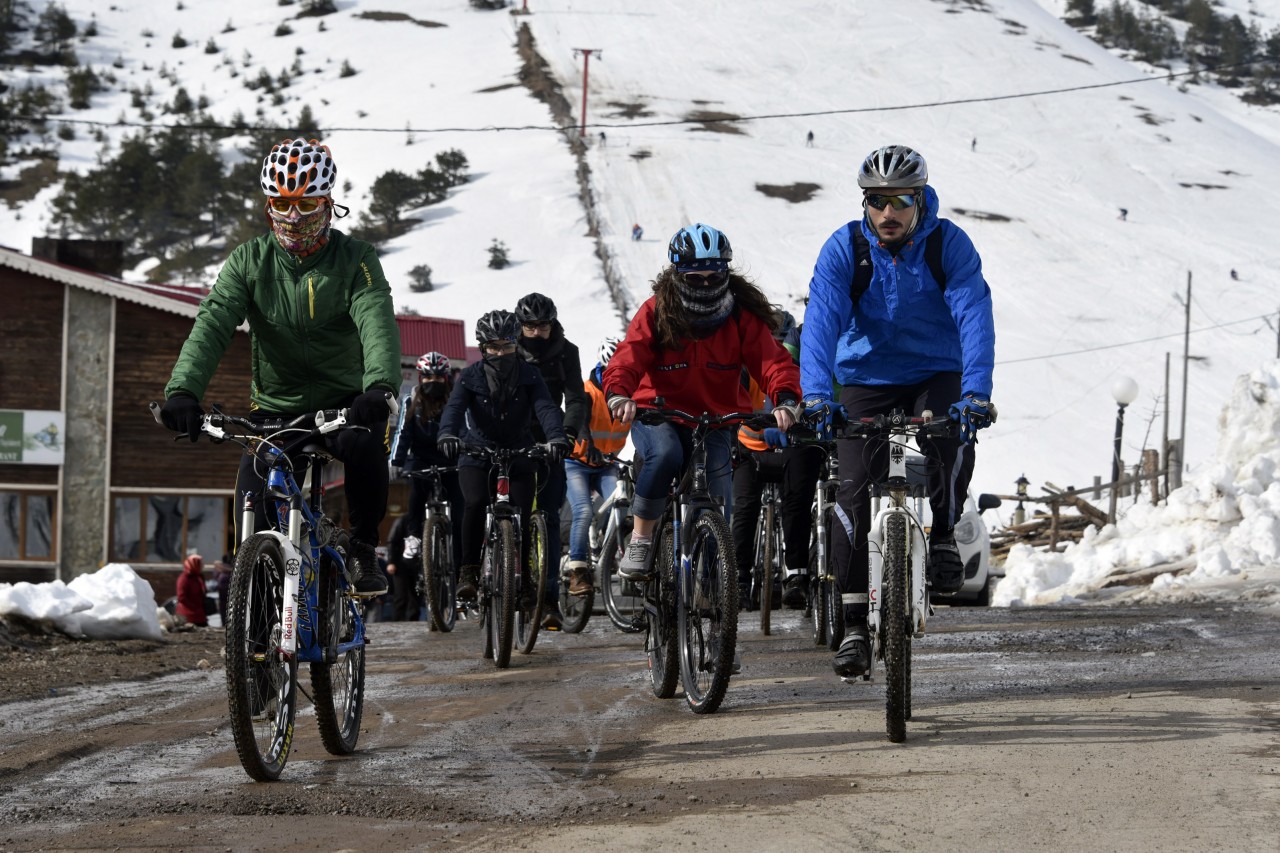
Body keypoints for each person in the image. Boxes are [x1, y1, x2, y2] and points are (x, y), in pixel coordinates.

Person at [160, 137, 401, 597]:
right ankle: (258, 591)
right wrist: (183, 391)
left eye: (306, 203)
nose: (293, 216)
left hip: (344, 404)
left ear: (329, 203)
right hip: (276, 406)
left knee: (367, 447)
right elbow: (213, 323)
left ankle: (364, 548)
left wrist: (379, 386)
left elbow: (376, 321)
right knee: (251, 495)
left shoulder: (357, 260)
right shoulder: (248, 261)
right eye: (281, 203)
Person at [801, 144, 996, 680]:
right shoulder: (845, 247)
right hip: (865, 377)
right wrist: (818, 396)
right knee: (853, 485)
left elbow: (974, 312)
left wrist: (975, 393)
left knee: (950, 438)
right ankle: (854, 622)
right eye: (877, 201)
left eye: (901, 201)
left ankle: (942, 536)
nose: (888, 214)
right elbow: (820, 319)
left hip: (935, 371)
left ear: (920, 200)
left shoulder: (947, 244)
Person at [604, 223, 801, 583]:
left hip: (715, 420)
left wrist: (786, 399)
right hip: (657, 413)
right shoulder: (656, 311)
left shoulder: (740, 317)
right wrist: (619, 392)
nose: (707, 284)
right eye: (696, 278)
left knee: (719, 499)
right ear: (677, 274)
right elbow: (629, 355)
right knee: (665, 456)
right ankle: (642, 537)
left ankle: (713, 590)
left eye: (715, 276)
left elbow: (771, 362)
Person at [438, 310, 571, 609]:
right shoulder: (469, 376)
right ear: (483, 348)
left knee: (522, 516)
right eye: (494, 347)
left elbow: (546, 408)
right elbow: (454, 409)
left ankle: (523, 583)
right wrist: (447, 435)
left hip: (518, 450)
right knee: (472, 504)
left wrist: (556, 438)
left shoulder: (529, 375)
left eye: (508, 346)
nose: (501, 353)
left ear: (516, 346)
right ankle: (469, 572)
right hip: (477, 452)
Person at [731, 308, 823, 612]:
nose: (776, 345)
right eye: (772, 339)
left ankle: (796, 575)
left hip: (789, 445)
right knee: (744, 507)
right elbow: (732, 403)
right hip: (752, 446)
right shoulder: (745, 362)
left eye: (780, 339)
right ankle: (739, 580)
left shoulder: (794, 366)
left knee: (796, 501)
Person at [513, 293, 588, 632]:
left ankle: (549, 600)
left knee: (550, 517)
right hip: (514, 434)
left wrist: (568, 435)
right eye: (530, 326)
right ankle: (512, 581)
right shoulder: (509, 350)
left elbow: (575, 398)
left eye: (542, 326)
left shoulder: (567, 352)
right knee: (514, 515)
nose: (537, 332)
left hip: (552, 435)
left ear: (552, 323)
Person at [390, 351, 464, 606]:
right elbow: (402, 433)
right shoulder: (411, 402)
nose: (433, 381)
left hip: (450, 459)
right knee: (416, 496)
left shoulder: (456, 401)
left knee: (460, 506)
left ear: (447, 377)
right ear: (421, 378)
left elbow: (466, 430)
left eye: (439, 376)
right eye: (428, 376)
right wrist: (395, 463)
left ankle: (462, 564)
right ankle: (413, 538)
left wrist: (467, 456)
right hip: (420, 459)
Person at [564, 336, 630, 596]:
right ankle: (578, 571)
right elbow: (578, 418)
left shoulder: (630, 394)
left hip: (606, 463)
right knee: (583, 511)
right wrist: (586, 441)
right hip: (578, 462)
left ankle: (612, 550)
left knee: (622, 504)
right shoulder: (588, 391)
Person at [384, 512, 420, 621]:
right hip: (401, 564)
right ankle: (398, 621)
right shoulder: (403, 520)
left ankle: (413, 621)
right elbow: (392, 541)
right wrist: (391, 562)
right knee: (401, 596)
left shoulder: (425, 519)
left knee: (416, 595)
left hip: (418, 565)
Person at [175, 553, 208, 628]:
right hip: (187, 616)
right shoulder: (184, 578)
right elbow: (181, 597)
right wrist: (193, 606)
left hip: (200, 615)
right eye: (200, 564)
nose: (202, 566)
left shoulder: (198, 577)